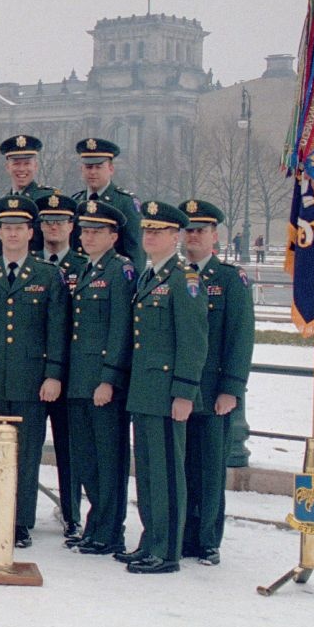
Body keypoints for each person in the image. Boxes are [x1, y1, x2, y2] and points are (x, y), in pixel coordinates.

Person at [0, 194, 68, 549]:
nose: (12, 234)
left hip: (30, 380)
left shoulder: (48, 275)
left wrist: (53, 374)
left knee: (25, 453)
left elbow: (57, 330)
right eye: (6, 228)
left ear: (30, 232)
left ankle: (20, 522)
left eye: (19, 228)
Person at [116, 200, 208, 575]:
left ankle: (167, 550)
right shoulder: (151, 276)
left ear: (175, 236)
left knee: (168, 472)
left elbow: (193, 341)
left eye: (158, 231)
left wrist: (185, 392)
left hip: (169, 392)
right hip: (146, 390)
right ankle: (151, 540)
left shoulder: (184, 280)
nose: (149, 237)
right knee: (150, 471)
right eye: (146, 230)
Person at [179, 199, 255, 566]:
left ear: (215, 236)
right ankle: (182, 534)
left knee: (209, 470)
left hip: (212, 393)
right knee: (181, 467)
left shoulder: (229, 279)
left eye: (200, 230)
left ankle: (208, 539)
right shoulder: (174, 275)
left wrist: (232, 389)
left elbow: (241, 338)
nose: (193, 236)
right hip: (178, 391)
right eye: (188, 230)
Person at [66, 200, 137, 557]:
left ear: (113, 235)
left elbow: (120, 329)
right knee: (86, 460)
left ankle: (111, 530)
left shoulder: (119, 271)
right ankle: (95, 525)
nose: (88, 236)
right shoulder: (84, 270)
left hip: (102, 384)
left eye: (97, 231)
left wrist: (109, 378)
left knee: (109, 460)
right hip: (79, 381)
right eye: (85, 230)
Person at [35, 191, 87, 543]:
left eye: (60, 221)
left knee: (70, 450)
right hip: (31, 371)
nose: (53, 226)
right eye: (47, 221)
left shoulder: (85, 267)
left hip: (72, 374)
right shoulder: (27, 262)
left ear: (72, 226)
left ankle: (71, 514)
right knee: (26, 446)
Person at [70, 137, 141, 260]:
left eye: (98, 167)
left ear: (111, 169)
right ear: (81, 169)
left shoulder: (125, 202)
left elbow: (135, 251)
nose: (93, 172)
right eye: (88, 167)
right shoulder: (75, 202)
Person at [0, 134, 57, 200]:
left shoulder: (49, 198)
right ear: (7, 167)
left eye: (27, 164)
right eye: (16, 164)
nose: (21, 169)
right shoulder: (3, 203)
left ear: (36, 166)